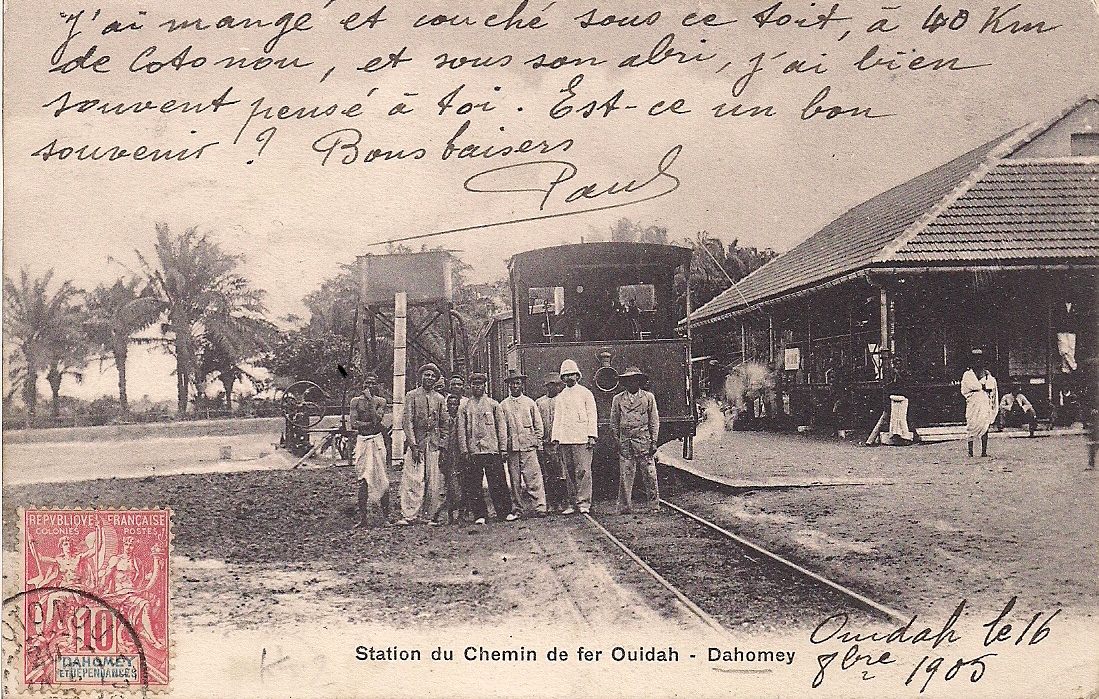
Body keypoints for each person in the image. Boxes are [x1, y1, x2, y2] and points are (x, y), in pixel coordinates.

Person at [458, 373, 516, 524]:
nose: (477, 387)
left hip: (492, 449)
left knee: (498, 482)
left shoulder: (493, 405)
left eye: (480, 384)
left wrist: (503, 449)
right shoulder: (464, 407)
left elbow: (501, 428)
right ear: (470, 386)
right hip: (474, 451)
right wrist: (464, 449)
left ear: (484, 386)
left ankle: (505, 512)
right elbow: (461, 430)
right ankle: (480, 515)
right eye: (474, 384)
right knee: (474, 484)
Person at [610, 367, 660, 514]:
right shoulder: (618, 399)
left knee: (650, 474)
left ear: (640, 381)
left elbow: (654, 421)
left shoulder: (648, 397)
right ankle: (624, 507)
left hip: (643, 440)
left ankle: (654, 505)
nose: (632, 383)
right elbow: (614, 422)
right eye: (629, 380)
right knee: (625, 475)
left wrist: (654, 441)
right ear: (625, 382)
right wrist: (617, 440)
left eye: (635, 380)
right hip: (625, 442)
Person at [400, 363, 445, 525]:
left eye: (433, 376)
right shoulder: (411, 396)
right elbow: (407, 421)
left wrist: (441, 445)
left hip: (433, 444)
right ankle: (409, 515)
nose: (430, 378)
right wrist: (413, 444)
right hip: (417, 443)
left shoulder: (439, 399)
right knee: (413, 480)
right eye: (427, 375)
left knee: (433, 481)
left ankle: (428, 516)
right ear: (421, 377)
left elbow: (444, 424)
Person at [552, 359, 598, 515]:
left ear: (578, 376)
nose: (569, 378)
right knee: (569, 472)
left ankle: (584, 502)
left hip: (582, 438)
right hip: (566, 439)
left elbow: (592, 416)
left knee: (583, 471)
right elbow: (557, 418)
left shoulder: (586, 393)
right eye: (566, 375)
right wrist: (556, 438)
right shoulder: (560, 397)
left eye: (572, 375)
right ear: (562, 378)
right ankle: (572, 503)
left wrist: (591, 435)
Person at [501, 369, 548, 518]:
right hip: (512, 448)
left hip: (529, 447)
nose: (515, 386)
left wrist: (537, 442)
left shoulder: (529, 403)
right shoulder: (503, 405)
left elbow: (538, 425)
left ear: (522, 385)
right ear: (508, 386)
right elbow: (502, 429)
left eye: (517, 383)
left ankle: (539, 507)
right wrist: (504, 448)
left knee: (533, 478)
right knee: (514, 481)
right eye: (512, 384)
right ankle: (517, 509)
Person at [350, 374, 390, 527]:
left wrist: (371, 401)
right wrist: (368, 424)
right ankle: (363, 519)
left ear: (376, 385)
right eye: (367, 383)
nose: (370, 386)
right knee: (364, 479)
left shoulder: (381, 401)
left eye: (373, 383)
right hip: (362, 441)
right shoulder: (355, 402)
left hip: (376, 440)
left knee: (382, 479)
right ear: (363, 385)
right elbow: (354, 423)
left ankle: (385, 517)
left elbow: (377, 420)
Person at [536, 373, 567, 513]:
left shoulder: (563, 400)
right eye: (551, 385)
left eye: (556, 385)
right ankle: (551, 502)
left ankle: (562, 501)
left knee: (562, 473)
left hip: (560, 443)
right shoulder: (539, 403)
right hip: (545, 443)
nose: (554, 388)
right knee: (548, 474)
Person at [961, 349, 999, 457]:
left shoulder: (987, 374)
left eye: (980, 359)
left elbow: (991, 387)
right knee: (971, 425)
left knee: (985, 425)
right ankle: (970, 451)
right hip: (973, 402)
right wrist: (980, 387)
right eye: (975, 359)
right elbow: (965, 388)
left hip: (984, 403)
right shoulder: (968, 375)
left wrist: (985, 385)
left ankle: (984, 451)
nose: (978, 361)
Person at [437, 393, 464, 524]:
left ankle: (462, 513)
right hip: (448, 455)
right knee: (449, 484)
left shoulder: (461, 419)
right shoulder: (445, 420)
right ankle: (449, 514)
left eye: (455, 404)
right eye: (450, 404)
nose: (453, 407)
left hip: (460, 455)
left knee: (461, 483)